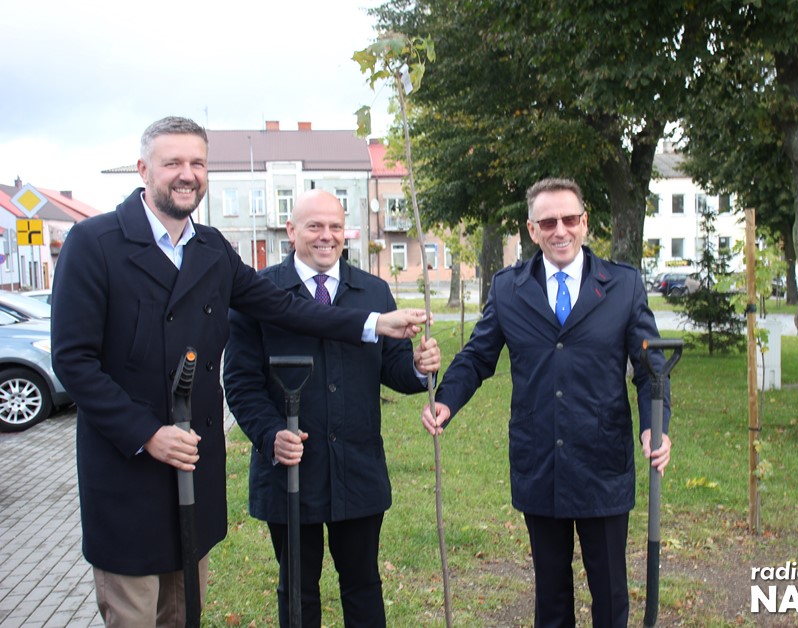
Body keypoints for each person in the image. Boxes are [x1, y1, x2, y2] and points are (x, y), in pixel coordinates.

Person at [50, 116, 427, 627]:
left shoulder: (211, 250)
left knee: (186, 613)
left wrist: (374, 322)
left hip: (194, 469)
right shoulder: (93, 243)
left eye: (198, 163)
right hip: (129, 473)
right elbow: (73, 361)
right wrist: (147, 434)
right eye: (173, 163)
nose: (187, 174)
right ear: (143, 169)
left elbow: (287, 308)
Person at [421, 177, 673, 627]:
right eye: (549, 222)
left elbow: (651, 367)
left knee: (610, 592)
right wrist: (447, 400)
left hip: (603, 462)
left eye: (569, 219)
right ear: (532, 230)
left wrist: (656, 425)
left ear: (585, 223)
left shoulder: (623, 285)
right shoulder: (508, 289)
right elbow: (478, 355)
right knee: (551, 597)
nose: (561, 230)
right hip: (540, 461)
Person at [223, 189, 440, 627]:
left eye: (335, 227)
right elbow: (241, 383)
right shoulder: (259, 294)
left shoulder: (373, 291)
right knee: (297, 589)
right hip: (290, 470)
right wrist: (270, 435)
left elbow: (394, 368)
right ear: (291, 231)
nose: (327, 236)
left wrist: (418, 368)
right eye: (315, 226)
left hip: (356, 468)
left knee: (363, 584)